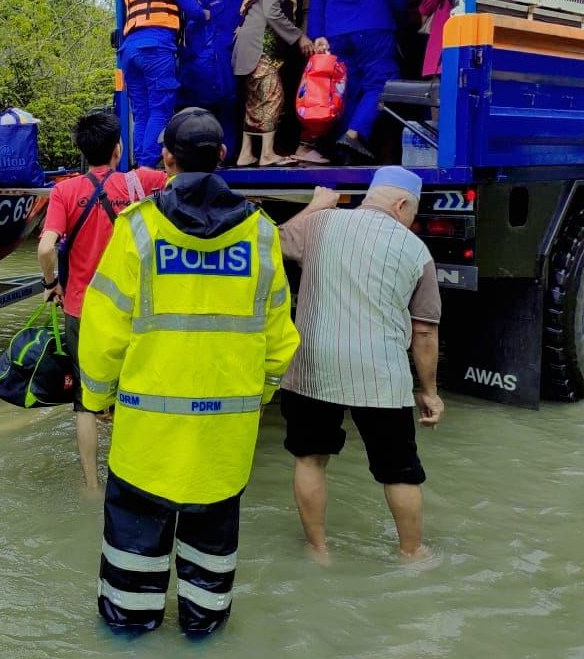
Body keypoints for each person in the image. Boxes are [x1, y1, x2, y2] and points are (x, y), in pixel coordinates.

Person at [78, 107, 300, 636]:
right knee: (208, 602)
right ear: (223, 156)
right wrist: (254, 397)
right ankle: (201, 632)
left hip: (144, 446)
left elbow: (103, 333)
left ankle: (132, 633)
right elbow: (279, 344)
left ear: (167, 159)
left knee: (128, 610)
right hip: (224, 447)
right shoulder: (263, 236)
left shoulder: (138, 231)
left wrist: (96, 399)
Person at [278, 167, 444, 561]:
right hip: (380, 375)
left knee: (310, 458)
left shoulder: (319, 224)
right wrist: (430, 392)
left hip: (312, 368)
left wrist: (315, 205)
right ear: (402, 205)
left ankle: (318, 550)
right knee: (399, 471)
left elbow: (277, 242)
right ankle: (412, 554)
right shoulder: (416, 250)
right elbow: (424, 333)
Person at [36, 111, 167, 491]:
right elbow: (182, 177)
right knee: (134, 391)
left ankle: (92, 485)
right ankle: (134, 475)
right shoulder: (141, 182)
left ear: (80, 150)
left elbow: (46, 247)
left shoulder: (65, 191)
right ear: (117, 149)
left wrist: (52, 281)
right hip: (133, 309)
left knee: (86, 402)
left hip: (83, 309)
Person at [306, 0, 409, 163]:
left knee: (345, 88)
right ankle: (354, 134)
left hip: (335, 29)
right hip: (373, 22)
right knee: (381, 80)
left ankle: (344, 153)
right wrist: (399, 19)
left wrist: (317, 34)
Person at [119, 0, 204, 168]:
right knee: (160, 109)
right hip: (155, 48)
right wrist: (205, 15)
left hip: (129, 50)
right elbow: (192, 9)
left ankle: (138, 168)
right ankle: (147, 166)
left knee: (142, 112)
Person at [233, 0, 314, 167]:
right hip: (260, 50)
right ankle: (267, 154)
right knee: (273, 95)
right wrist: (299, 36)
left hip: (249, 52)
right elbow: (273, 13)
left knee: (254, 101)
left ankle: (246, 153)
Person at [178, 0, 248, 159]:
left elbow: (252, 11)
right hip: (204, 60)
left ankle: (229, 155)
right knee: (204, 110)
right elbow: (192, 24)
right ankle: (206, 156)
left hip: (230, 56)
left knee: (230, 106)